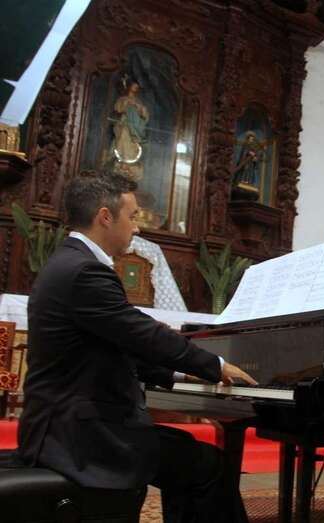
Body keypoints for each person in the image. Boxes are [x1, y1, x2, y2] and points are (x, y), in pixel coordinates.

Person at [17, 171, 257, 523]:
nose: (137, 228)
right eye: (132, 217)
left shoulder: (69, 262)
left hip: (68, 423)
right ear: (104, 216)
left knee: (191, 458)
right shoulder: (85, 271)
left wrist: (179, 374)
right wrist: (214, 365)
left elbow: (116, 346)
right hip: (81, 435)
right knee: (207, 466)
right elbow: (141, 334)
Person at [112, 81, 149, 164]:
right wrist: (126, 104)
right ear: (129, 86)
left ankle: (130, 160)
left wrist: (140, 108)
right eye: (134, 86)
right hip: (124, 123)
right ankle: (123, 158)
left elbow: (144, 116)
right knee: (123, 135)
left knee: (132, 141)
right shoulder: (122, 99)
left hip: (135, 126)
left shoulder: (138, 101)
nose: (135, 88)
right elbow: (117, 110)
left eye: (137, 87)